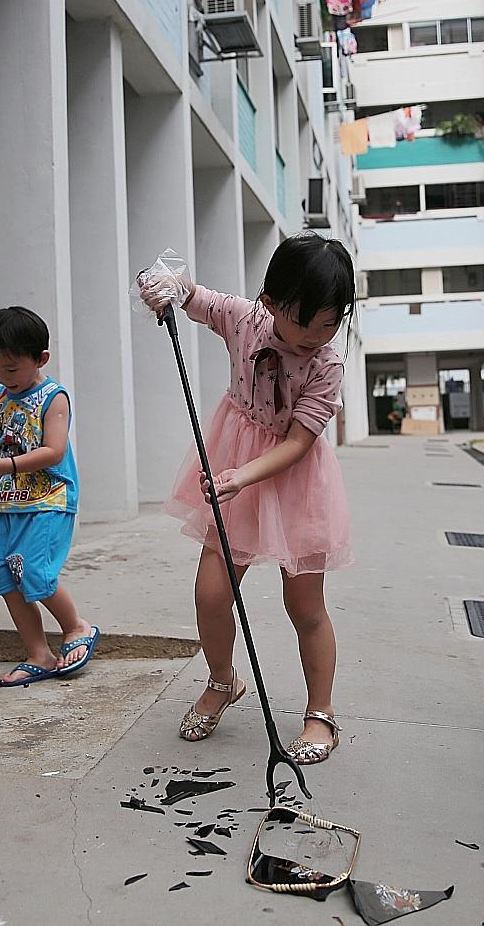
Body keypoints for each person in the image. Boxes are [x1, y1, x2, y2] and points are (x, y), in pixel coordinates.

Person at [139, 233, 354, 764]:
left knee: (304, 606)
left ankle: (320, 712)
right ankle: (221, 680)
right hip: (236, 465)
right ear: (270, 302)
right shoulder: (243, 319)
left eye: (330, 323)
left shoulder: (327, 366)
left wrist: (245, 476)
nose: (315, 337)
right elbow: (194, 298)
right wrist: (166, 287)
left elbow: (301, 443)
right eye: (303, 323)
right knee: (212, 593)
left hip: (290, 478)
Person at [0, 307, 100, 687]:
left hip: (50, 499)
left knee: (35, 571)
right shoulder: (2, 395)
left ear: (41, 359)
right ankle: (39, 654)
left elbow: (53, 451)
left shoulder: (54, 398)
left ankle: (76, 627)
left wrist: (0, 467)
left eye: (12, 369)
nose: (4, 378)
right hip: (13, 500)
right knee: (7, 578)